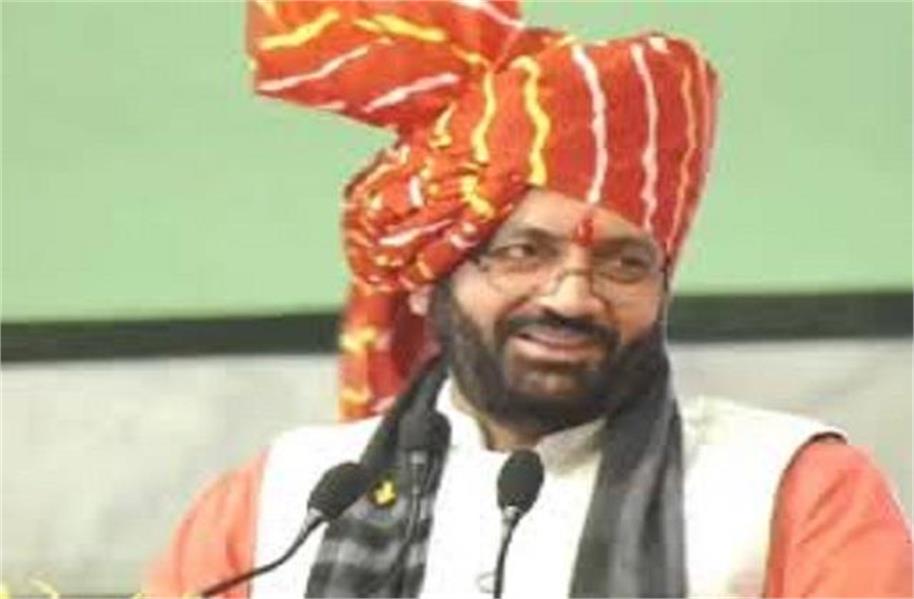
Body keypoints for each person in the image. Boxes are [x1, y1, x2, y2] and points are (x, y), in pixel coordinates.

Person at [145, 1, 913, 596]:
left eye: (624, 263)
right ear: (430, 275)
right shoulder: (282, 501)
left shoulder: (796, 490)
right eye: (522, 253)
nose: (572, 297)